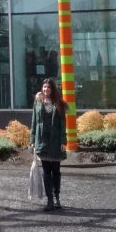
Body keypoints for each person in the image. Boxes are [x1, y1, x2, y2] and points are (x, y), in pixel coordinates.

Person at [31, 77, 67, 212]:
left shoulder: (59, 103)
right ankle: (49, 200)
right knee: (46, 172)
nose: (46, 89)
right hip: (43, 142)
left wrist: (64, 141)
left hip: (56, 142)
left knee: (56, 171)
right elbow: (34, 122)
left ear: (53, 89)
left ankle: (57, 197)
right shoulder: (38, 102)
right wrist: (32, 140)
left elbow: (63, 124)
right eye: (44, 87)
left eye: (49, 87)